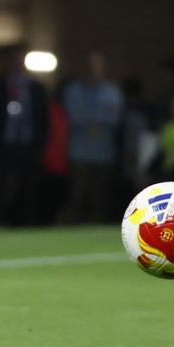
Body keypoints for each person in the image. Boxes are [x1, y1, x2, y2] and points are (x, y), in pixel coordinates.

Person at [0, 47, 51, 226]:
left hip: (27, 143)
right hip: (3, 142)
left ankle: (26, 221)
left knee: (28, 184)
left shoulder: (35, 88)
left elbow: (42, 117)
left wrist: (40, 142)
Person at [62, 52, 123, 223]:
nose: (94, 70)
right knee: (76, 194)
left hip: (103, 153)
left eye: (98, 66)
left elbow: (115, 118)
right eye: (90, 66)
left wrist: (90, 120)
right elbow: (73, 115)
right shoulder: (73, 90)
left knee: (100, 198)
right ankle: (71, 230)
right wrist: (99, 119)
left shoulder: (112, 92)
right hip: (78, 152)